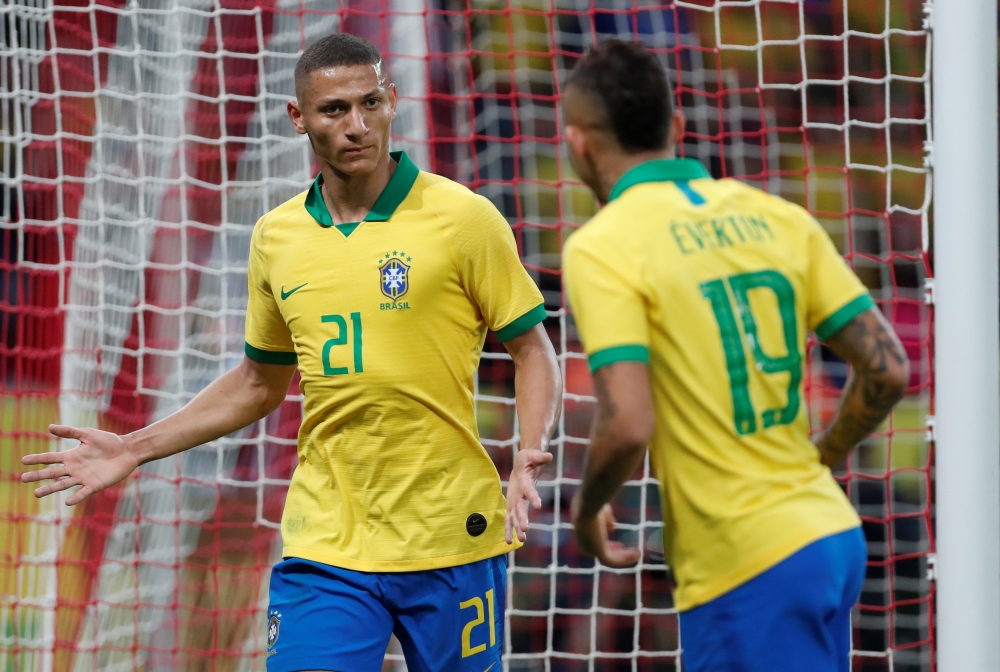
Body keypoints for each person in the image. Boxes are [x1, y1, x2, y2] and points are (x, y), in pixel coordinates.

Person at [21, 33, 562, 672]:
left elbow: (532, 350)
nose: (357, 125)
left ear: (392, 100)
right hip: (327, 545)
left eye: (370, 104)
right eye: (334, 110)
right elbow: (257, 382)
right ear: (298, 118)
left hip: (451, 537)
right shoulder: (277, 238)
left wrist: (528, 450)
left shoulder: (463, 219)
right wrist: (134, 448)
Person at [560, 40, 909, 672]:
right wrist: (822, 457)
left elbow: (629, 423)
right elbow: (887, 370)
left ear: (578, 143)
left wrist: (586, 513)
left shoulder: (604, 246)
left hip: (746, 561)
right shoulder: (778, 217)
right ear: (678, 128)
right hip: (828, 536)